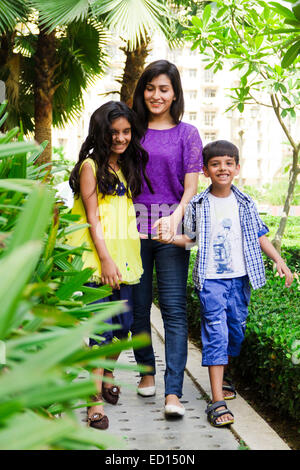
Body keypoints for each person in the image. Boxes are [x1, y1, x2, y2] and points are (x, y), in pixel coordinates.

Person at [163, 139, 293, 427]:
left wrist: (279, 260)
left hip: (240, 279)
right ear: (206, 171)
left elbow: (260, 236)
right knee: (216, 333)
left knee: (235, 329)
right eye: (215, 164)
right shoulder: (198, 204)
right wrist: (172, 238)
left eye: (228, 163)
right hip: (211, 280)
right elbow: (191, 238)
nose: (223, 168)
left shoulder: (246, 202)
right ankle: (217, 400)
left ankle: (225, 374)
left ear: (237, 167)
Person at [67, 101, 153, 430]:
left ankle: (105, 376)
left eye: (126, 132)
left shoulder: (125, 166)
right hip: (98, 259)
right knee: (101, 333)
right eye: (113, 132)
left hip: (125, 258)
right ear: (101, 133)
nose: (120, 138)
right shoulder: (91, 166)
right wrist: (105, 259)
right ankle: (93, 402)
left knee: (124, 327)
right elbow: (92, 218)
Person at [131, 60, 203, 417]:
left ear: (175, 93)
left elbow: (191, 187)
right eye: (150, 88)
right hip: (131, 228)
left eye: (163, 89)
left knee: (175, 310)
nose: (156, 95)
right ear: (142, 91)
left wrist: (175, 218)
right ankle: (146, 372)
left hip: (175, 230)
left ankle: (172, 393)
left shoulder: (188, 134)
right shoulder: (130, 129)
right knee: (138, 307)